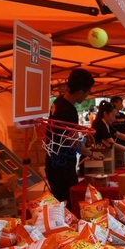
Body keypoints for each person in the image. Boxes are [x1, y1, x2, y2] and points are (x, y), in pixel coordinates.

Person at [44, 68, 104, 209]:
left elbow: (65, 134)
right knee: (68, 206)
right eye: (88, 92)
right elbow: (74, 143)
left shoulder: (58, 102)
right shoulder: (69, 111)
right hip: (62, 167)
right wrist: (91, 154)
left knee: (61, 204)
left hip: (53, 162)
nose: (87, 96)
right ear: (80, 91)